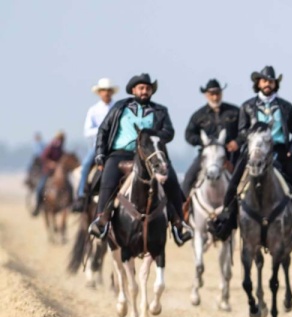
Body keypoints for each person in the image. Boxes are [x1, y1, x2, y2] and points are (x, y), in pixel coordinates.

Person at [209, 65, 292, 240]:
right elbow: (242, 131)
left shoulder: (286, 106)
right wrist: (253, 141)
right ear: (258, 83)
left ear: (275, 83)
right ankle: (226, 218)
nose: (267, 84)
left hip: (280, 150)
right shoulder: (247, 106)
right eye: (264, 80)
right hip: (253, 151)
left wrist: (291, 150)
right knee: (236, 180)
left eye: (271, 81)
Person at [88, 73, 192, 246]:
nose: (145, 91)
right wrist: (100, 154)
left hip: (150, 155)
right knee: (108, 176)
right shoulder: (120, 107)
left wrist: (149, 136)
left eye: (148, 88)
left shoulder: (160, 111)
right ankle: (102, 221)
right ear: (134, 90)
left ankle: (179, 224)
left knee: (171, 179)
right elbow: (103, 130)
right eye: (141, 88)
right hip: (120, 154)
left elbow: (169, 132)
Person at [181, 78, 240, 199]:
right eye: (212, 94)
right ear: (206, 95)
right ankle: (183, 211)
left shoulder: (234, 111)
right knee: (189, 178)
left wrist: (237, 142)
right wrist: (202, 142)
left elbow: (245, 130)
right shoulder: (198, 115)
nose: (215, 97)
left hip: (232, 155)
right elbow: (189, 135)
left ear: (221, 94)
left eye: (217, 93)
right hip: (207, 156)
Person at [72, 78, 119, 212]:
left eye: (109, 90)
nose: (106, 93)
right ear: (99, 92)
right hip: (98, 146)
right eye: (104, 90)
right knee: (86, 164)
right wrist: (102, 130)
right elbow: (87, 131)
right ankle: (81, 195)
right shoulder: (93, 110)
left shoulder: (118, 108)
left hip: (116, 146)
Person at [32, 131, 65, 216]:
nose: (60, 141)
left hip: (58, 172)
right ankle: (37, 206)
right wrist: (51, 164)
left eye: (62, 139)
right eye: (59, 139)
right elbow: (44, 157)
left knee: (69, 185)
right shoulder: (50, 147)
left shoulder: (60, 148)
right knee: (40, 188)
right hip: (48, 171)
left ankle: (71, 203)